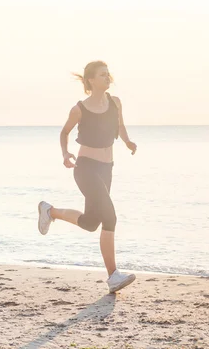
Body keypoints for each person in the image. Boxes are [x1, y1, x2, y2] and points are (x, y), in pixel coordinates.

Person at [38, 61, 138, 293]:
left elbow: (120, 126)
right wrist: (65, 154)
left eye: (108, 74)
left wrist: (127, 141)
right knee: (110, 217)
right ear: (91, 80)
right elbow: (64, 132)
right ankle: (113, 276)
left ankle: (49, 211)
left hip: (106, 168)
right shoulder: (79, 109)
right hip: (85, 168)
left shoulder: (115, 102)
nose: (107, 77)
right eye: (102, 75)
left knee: (92, 223)